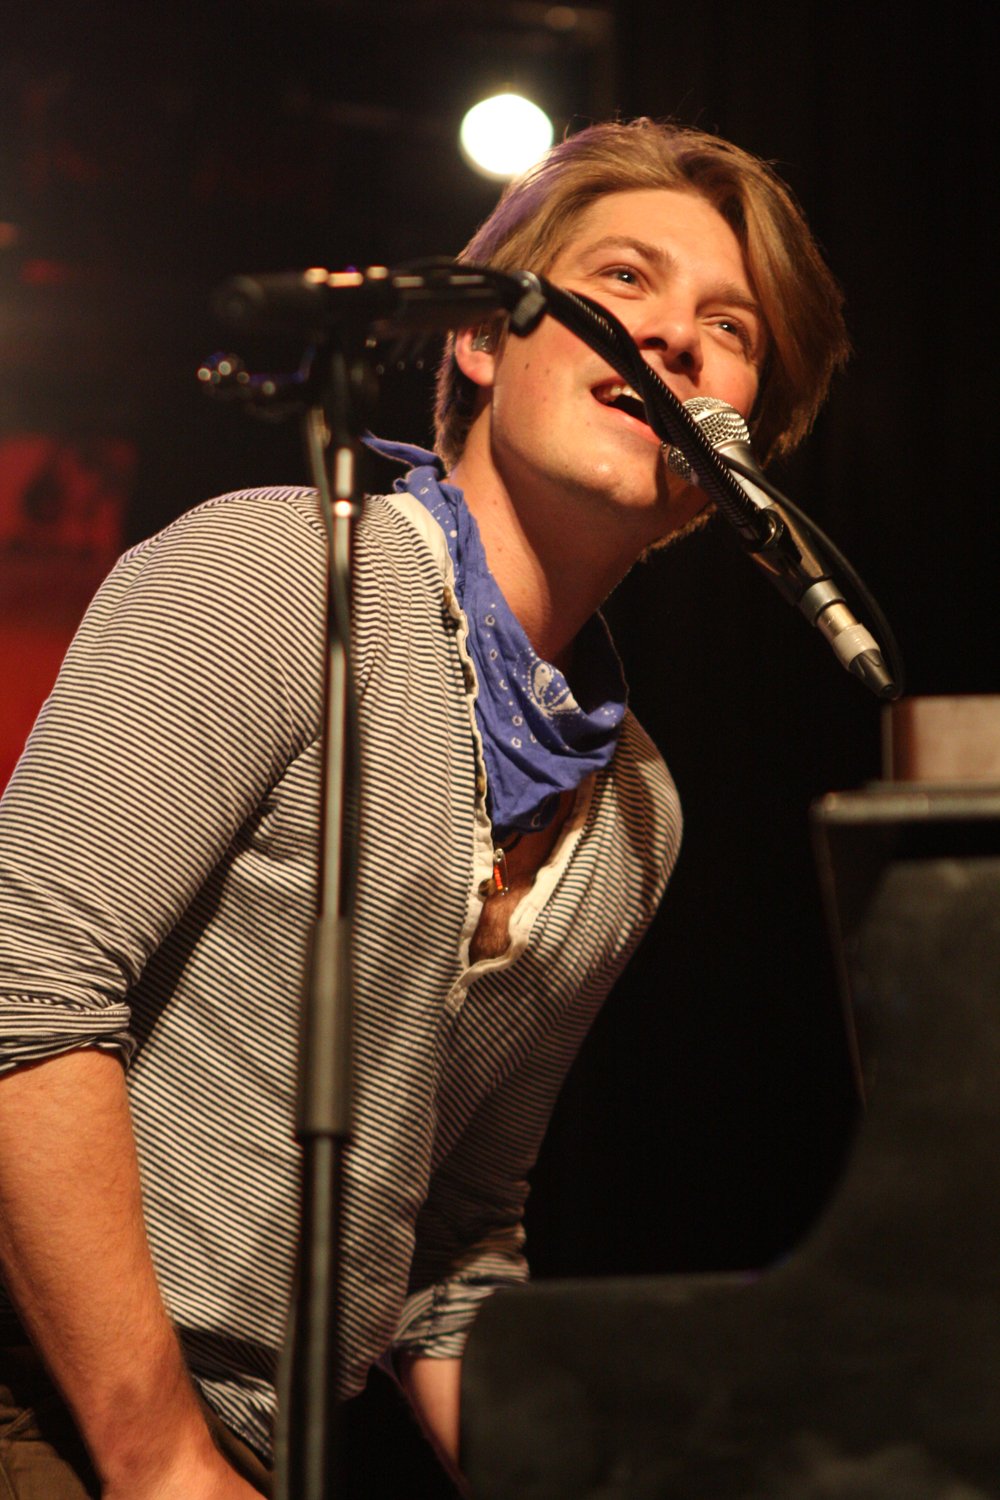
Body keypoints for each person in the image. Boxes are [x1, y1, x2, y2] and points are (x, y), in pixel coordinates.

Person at [0, 118, 849, 1498]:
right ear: (478, 338)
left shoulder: (638, 816)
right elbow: (20, 989)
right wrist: (157, 1458)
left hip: (253, 1458)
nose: (674, 339)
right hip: (50, 1401)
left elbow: (454, 1238)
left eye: (728, 325)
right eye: (622, 279)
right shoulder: (281, 572)